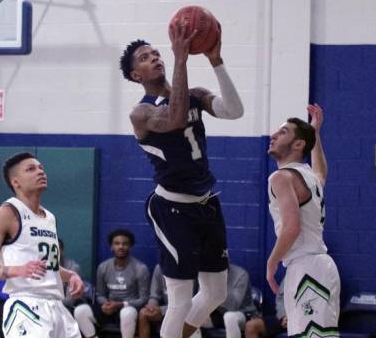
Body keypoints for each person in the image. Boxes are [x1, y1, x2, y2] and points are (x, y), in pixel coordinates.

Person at [119, 19, 244, 338]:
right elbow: (174, 119)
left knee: (216, 293)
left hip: (206, 203)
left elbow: (234, 111)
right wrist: (180, 58)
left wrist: (216, 61)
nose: (156, 58)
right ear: (136, 75)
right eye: (145, 58)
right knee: (180, 298)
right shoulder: (142, 113)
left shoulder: (195, 95)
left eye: (157, 53)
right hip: (171, 207)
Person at [0, 151, 84, 338]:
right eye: (31, 169)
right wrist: (17, 270)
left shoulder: (49, 217)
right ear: (16, 182)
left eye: (41, 168)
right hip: (26, 306)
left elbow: (47, 266)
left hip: (57, 306)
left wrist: (70, 275)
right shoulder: (6, 214)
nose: (41, 172)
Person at [266, 104, 340, 336]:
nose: (274, 135)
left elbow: (292, 227)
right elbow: (321, 172)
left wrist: (272, 262)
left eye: (283, 132)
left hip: (307, 267)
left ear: (299, 145)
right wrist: (315, 134)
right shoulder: (308, 175)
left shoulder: (281, 177)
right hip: (319, 267)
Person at [74, 229, 149, 338]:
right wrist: (105, 304)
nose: (121, 247)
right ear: (111, 247)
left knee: (127, 313)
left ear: (130, 247)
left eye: (125, 244)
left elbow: (143, 299)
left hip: (128, 307)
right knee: (80, 311)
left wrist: (120, 304)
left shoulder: (141, 268)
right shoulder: (103, 267)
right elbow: (100, 294)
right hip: (108, 308)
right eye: (117, 243)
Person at [206, 263, 265, 338]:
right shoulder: (205, 274)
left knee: (229, 317)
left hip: (243, 313)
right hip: (216, 314)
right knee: (191, 315)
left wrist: (217, 285)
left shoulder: (240, 274)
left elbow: (233, 305)